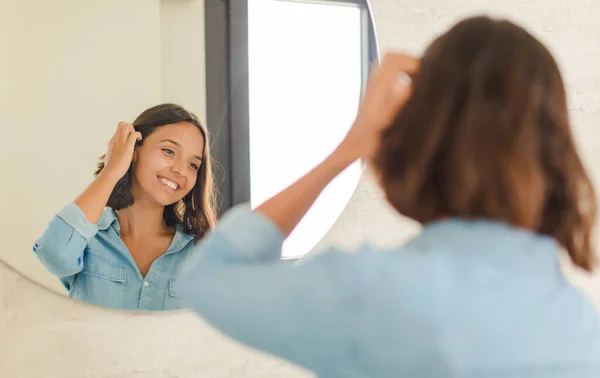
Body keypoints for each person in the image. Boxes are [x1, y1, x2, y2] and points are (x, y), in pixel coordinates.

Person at [176, 16, 600, 377]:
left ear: (422, 132)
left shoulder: (373, 294)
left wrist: (350, 147)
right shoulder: (582, 328)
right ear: (554, 151)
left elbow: (209, 278)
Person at [34, 103, 217, 311]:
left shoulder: (199, 252)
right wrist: (112, 169)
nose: (180, 170)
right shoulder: (88, 240)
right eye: (169, 151)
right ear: (134, 150)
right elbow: (53, 254)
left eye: (193, 164)